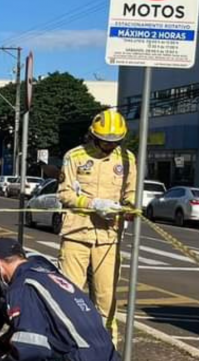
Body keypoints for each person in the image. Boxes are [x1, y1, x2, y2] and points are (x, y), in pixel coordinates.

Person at [57, 109, 137, 345]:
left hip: (109, 236)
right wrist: (93, 204)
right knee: (69, 292)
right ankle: (69, 344)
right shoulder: (75, 157)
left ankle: (106, 347)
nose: (110, 146)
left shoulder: (127, 159)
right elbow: (64, 194)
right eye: (105, 141)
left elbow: (131, 192)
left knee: (106, 296)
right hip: (76, 233)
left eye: (115, 141)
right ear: (93, 136)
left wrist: (129, 207)